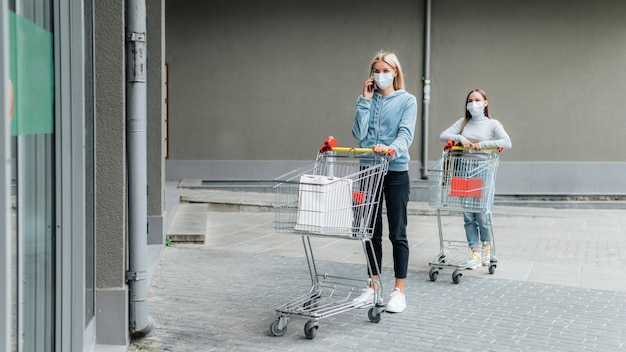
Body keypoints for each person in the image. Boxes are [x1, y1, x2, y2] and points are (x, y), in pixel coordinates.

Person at [350, 51, 417, 313]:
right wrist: (364, 101)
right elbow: (358, 133)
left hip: (395, 171)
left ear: (395, 72)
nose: (380, 75)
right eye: (376, 70)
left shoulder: (407, 100)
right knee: (369, 232)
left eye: (385, 70)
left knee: (397, 232)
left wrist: (391, 149)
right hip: (368, 170)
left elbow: (406, 134)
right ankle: (372, 285)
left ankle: (399, 291)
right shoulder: (368, 99)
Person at [439, 88, 512, 269]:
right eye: (470, 100)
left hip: (483, 169)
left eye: (477, 100)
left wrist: (482, 145)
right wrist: (459, 138)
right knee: (468, 213)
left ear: (485, 103)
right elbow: (443, 135)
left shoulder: (492, 124)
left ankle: (487, 247)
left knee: (481, 212)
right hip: (463, 169)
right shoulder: (463, 123)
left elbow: (506, 142)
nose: (473, 103)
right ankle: (475, 251)